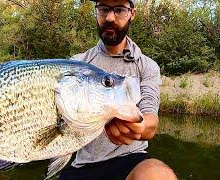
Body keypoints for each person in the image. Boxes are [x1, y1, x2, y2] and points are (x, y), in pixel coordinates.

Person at [59, 0, 177, 179]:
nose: (110, 17)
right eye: (103, 9)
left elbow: (151, 120)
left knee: (157, 175)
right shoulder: (77, 65)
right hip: (83, 164)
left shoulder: (147, 66)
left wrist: (138, 126)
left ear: (132, 14)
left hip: (131, 159)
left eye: (119, 10)